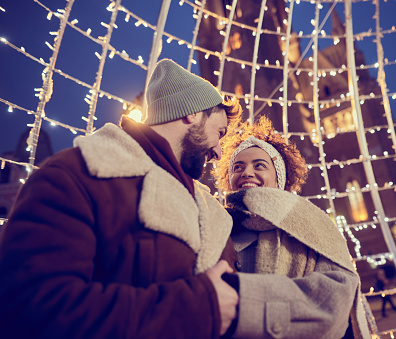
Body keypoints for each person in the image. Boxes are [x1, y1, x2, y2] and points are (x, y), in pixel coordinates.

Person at [0, 59, 242, 338]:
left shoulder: (210, 209)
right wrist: (196, 308)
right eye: (219, 132)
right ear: (192, 113)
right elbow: (30, 309)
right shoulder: (79, 174)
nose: (219, 153)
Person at [214, 117, 372, 338]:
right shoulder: (218, 225)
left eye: (259, 165)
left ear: (279, 178)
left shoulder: (313, 222)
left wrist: (244, 298)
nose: (246, 173)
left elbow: (335, 296)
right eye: (238, 167)